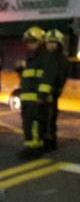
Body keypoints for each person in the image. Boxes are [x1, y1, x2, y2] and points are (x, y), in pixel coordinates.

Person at [17, 26, 58, 160]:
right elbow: (28, 79)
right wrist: (19, 70)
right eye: (28, 41)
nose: (29, 44)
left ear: (40, 42)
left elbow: (48, 77)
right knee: (28, 125)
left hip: (36, 99)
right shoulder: (32, 59)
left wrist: (42, 95)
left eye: (32, 41)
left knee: (35, 125)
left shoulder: (47, 57)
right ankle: (30, 147)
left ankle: (35, 150)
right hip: (28, 99)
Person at [43, 29, 68, 151]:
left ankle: (50, 143)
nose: (51, 45)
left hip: (52, 94)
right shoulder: (46, 57)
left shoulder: (60, 59)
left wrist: (54, 92)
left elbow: (60, 77)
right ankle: (45, 141)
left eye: (54, 42)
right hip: (44, 94)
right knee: (44, 119)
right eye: (49, 42)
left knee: (50, 120)